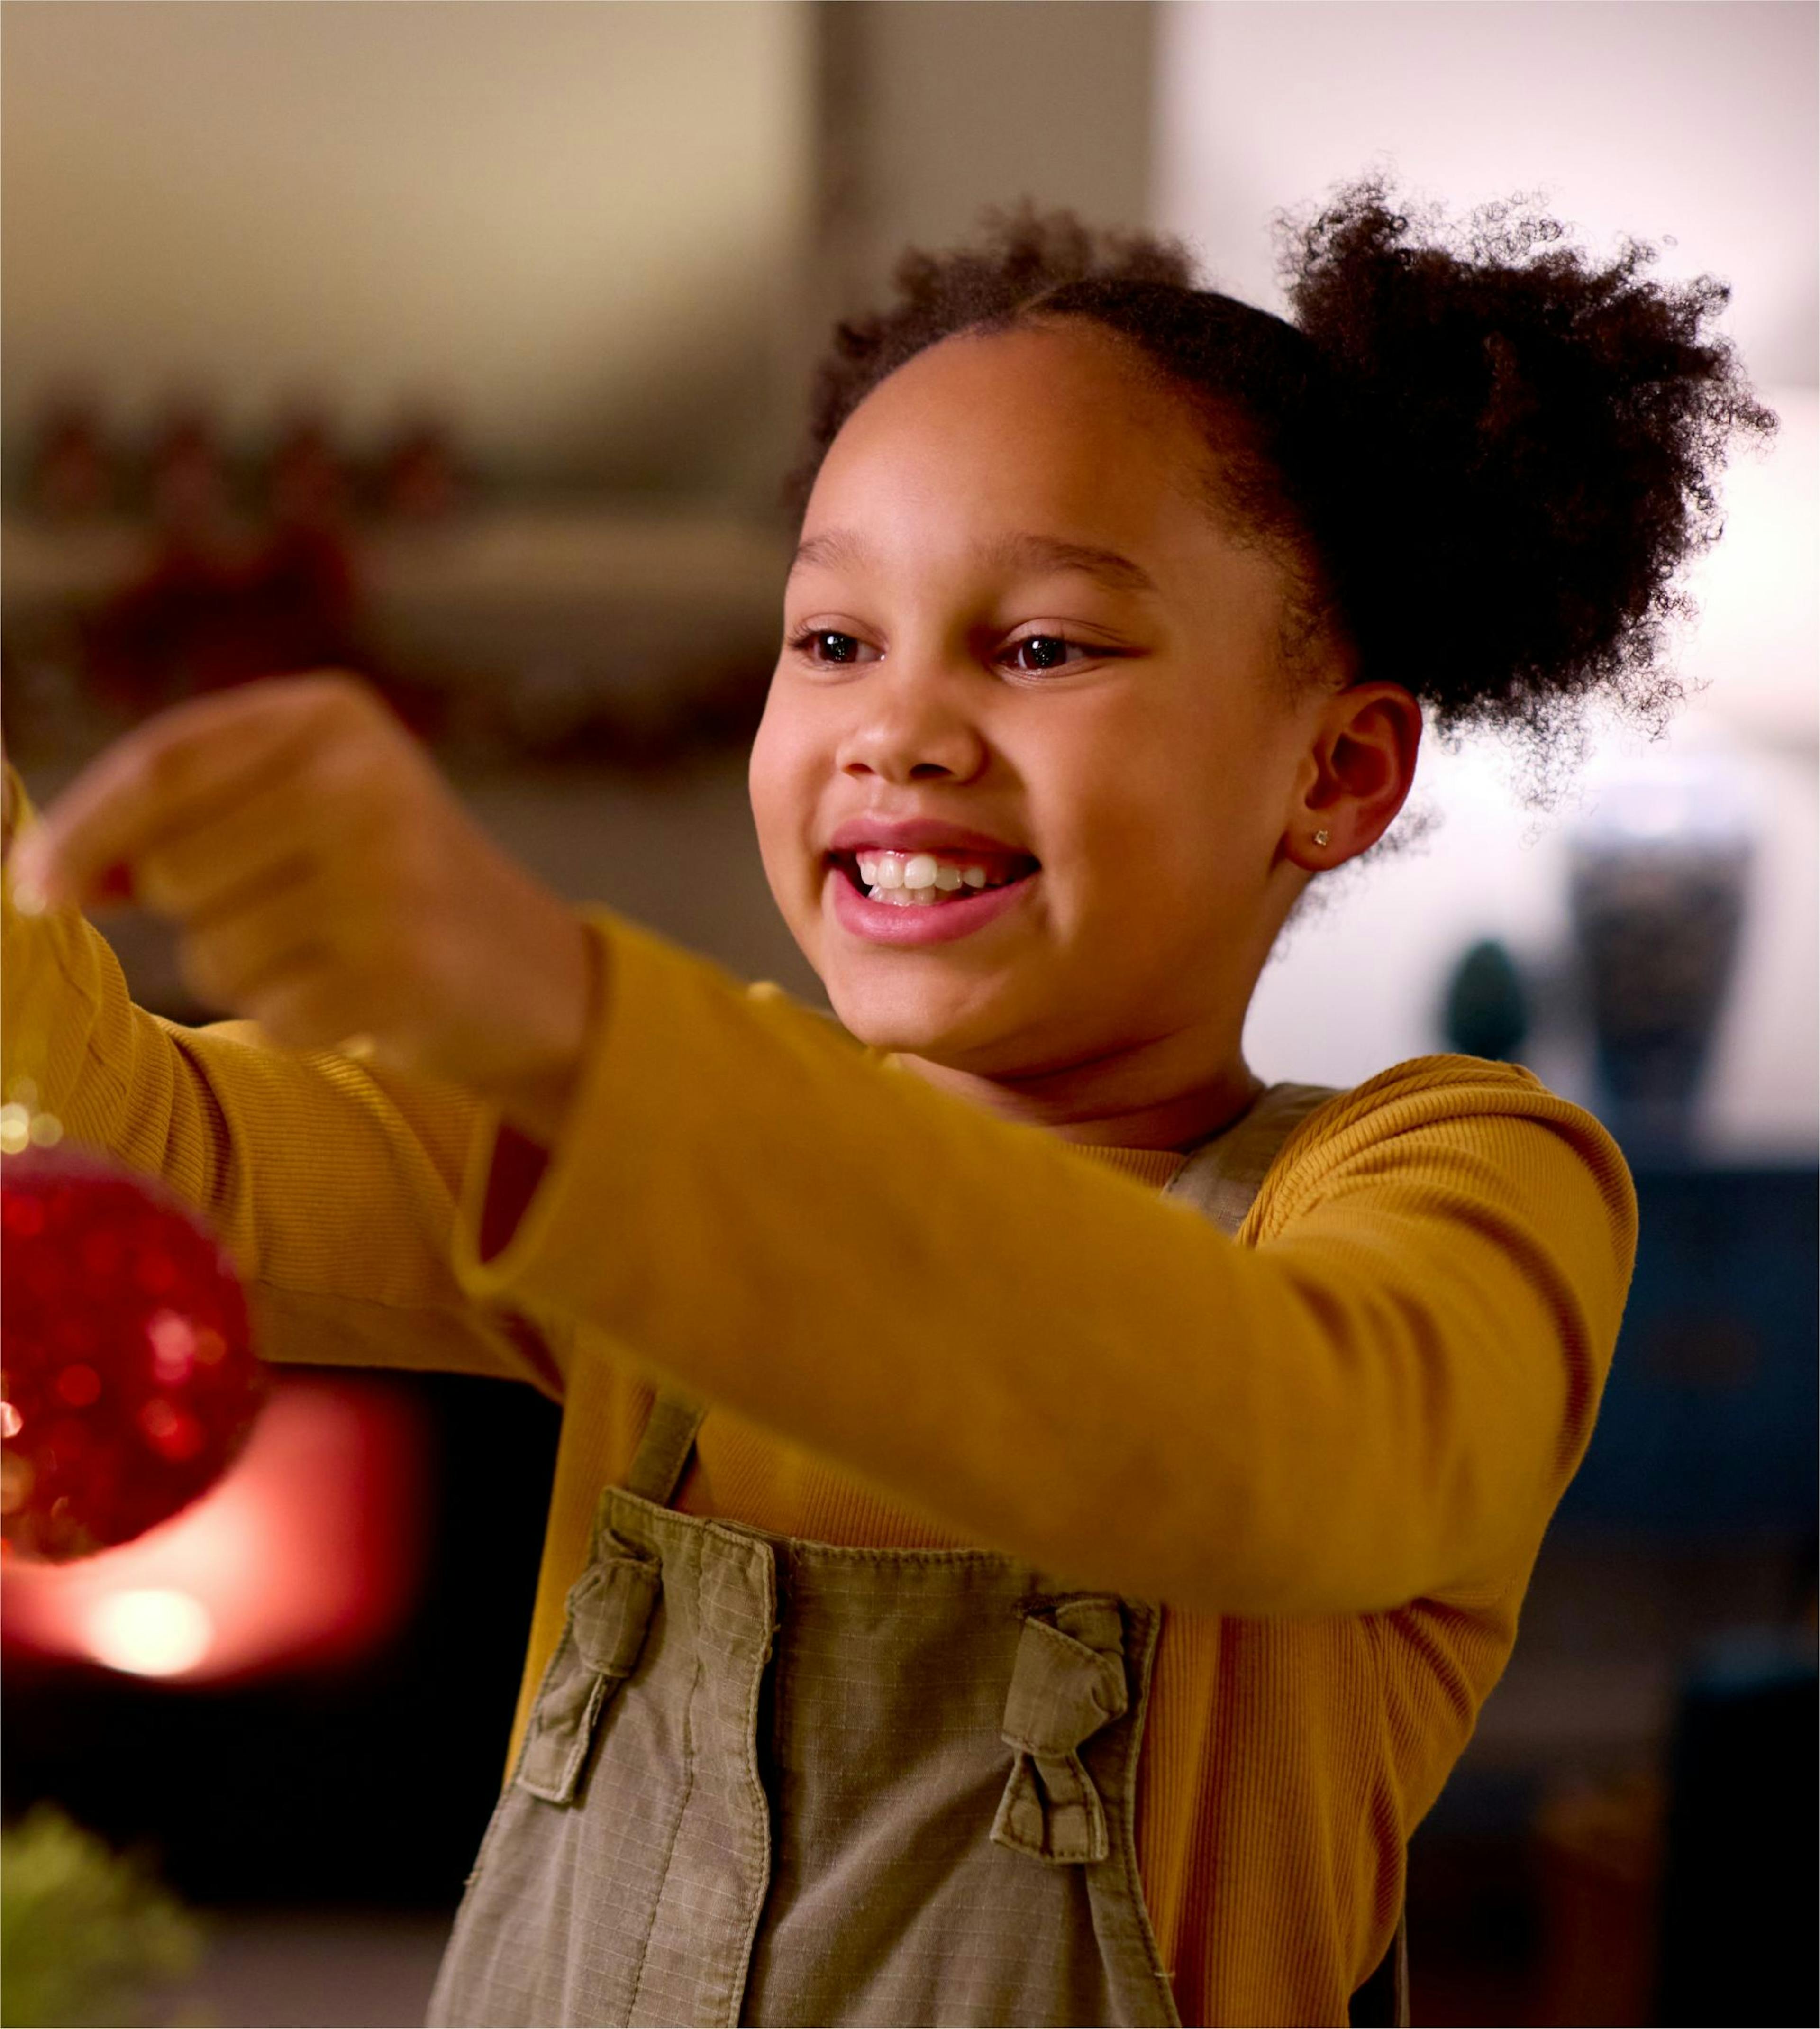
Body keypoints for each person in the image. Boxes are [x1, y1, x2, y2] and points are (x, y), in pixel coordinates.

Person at [1, 178, 1773, 2026]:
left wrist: (566, 1019)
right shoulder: (655, 1142)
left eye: (1041, 650)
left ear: (1335, 770)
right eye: (835, 641)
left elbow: (1266, 1441)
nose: (897, 729)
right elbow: (139, 1142)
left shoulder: (1457, 1174)